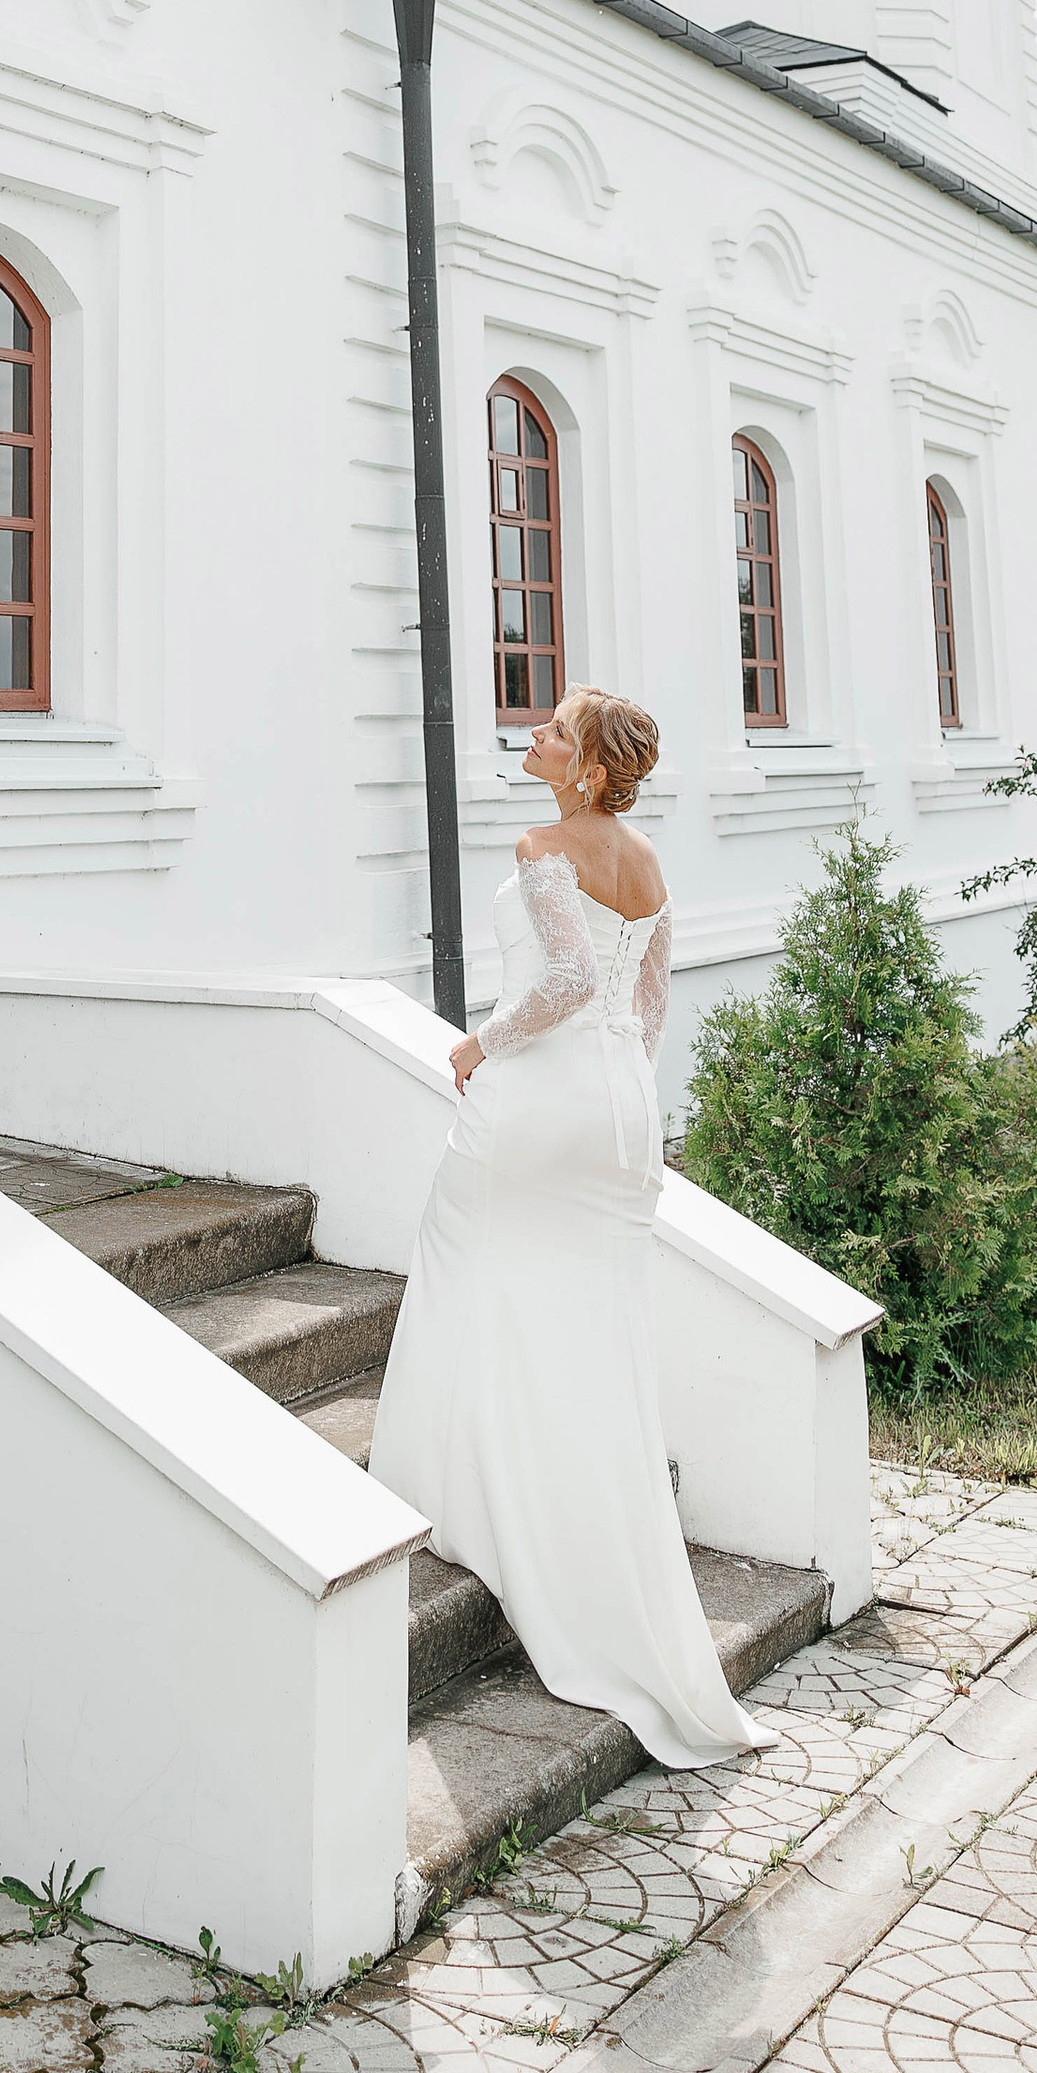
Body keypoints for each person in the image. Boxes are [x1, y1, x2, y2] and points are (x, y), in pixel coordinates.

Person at [369, 683, 771, 1765]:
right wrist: (618, 1097)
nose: (534, 735)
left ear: (587, 767)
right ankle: (559, 1524)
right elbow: (643, 1008)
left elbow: (563, 981)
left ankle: (458, 1498)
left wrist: (475, 1046)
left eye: (554, 730)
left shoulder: (544, 841)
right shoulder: (646, 862)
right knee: (586, 1325)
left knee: (467, 1268)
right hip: (616, 1111)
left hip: (538, 1099)